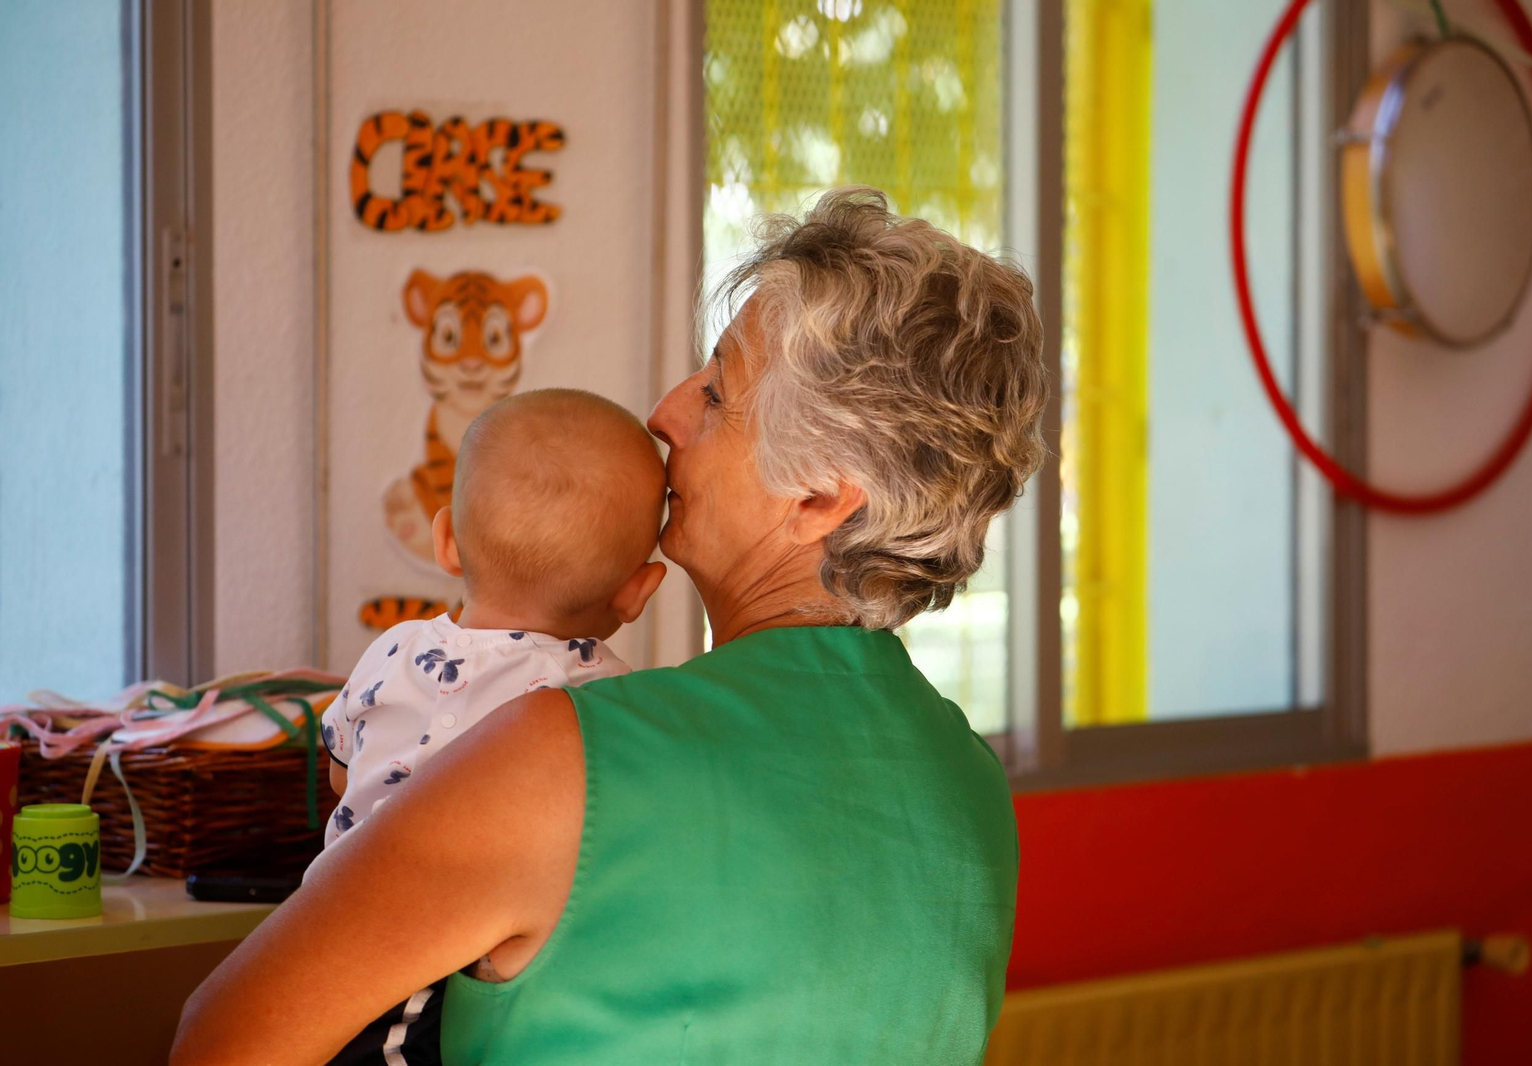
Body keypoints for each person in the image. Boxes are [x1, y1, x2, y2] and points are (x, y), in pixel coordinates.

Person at [173, 187, 1050, 1066]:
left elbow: (221, 1046)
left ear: (819, 498)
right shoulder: (973, 788)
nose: (665, 412)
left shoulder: (561, 753)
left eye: (715, 394)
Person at [319, 388, 667, 1065]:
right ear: (639, 589)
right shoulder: (602, 691)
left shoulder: (393, 649)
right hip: (438, 955)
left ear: (446, 541)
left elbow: (341, 770)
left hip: (331, 923)